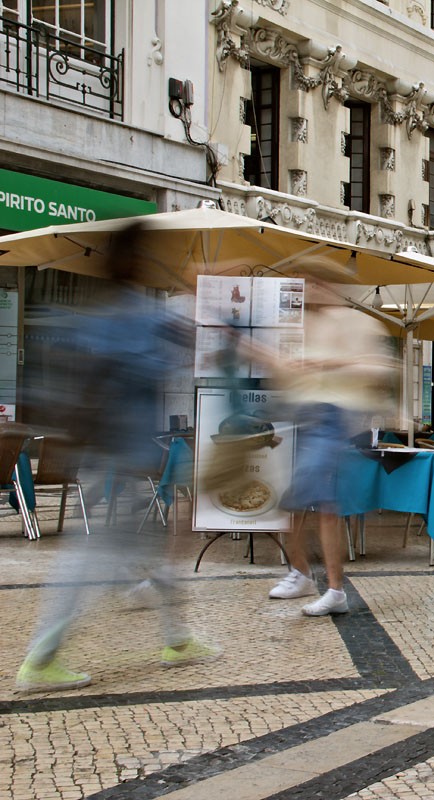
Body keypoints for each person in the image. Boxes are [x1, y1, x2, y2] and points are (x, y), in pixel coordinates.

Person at [16, 221, 218, 692]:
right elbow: (163, 353)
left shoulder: (102, 313)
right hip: (121, 456)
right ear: (135, 260)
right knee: (92, 560)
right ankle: (41, 660)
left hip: (106, 453)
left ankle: (178, 639)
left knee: (152, 547)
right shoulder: (133, 315)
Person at [266, 285, 395, 616]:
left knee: (324, 506)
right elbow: (294, 373)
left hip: (333, 418)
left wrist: (331, 363)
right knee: (292, 504)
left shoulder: (358, 323)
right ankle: (302, 573)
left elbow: (380, 368)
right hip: (309, 418)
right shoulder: (312, 325)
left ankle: (334, 590)